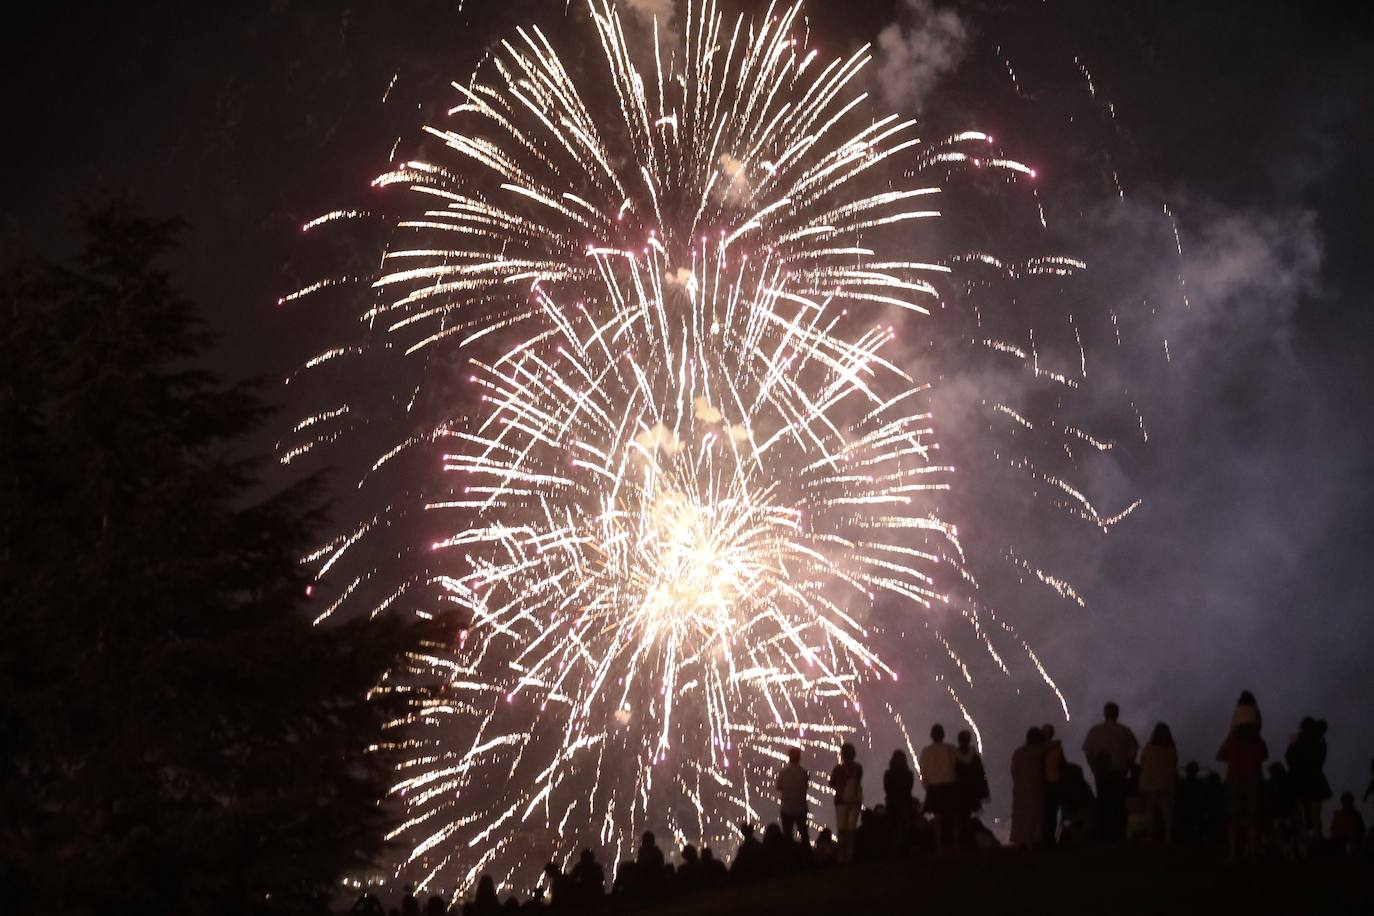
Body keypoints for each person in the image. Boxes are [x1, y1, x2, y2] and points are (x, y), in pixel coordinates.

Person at [1081, 701, 1139, 843]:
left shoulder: (1095, 731)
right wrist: (1128, 766)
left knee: (1104, 803)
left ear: (1104, 713)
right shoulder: (1125, 731)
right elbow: (1133, 751)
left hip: (1102, 773)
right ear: (1117, 713)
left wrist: (1094, 767)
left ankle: (1105, 835)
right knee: (1118, 805)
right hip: (1119, 772)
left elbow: (1088, 752)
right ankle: (1118, 835)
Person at [1218, 719, 1269, 861]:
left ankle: (1233, 853)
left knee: (1233, 818)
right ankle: (1253, 853)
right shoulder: (1259, 742)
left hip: (1235, 782)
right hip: (1254, 782)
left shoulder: (1232, 741)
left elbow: (1220, 755)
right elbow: (1265, 756)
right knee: (1254, 819)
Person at [1286, 718, 1332, 847]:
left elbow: (1289, 759)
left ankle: (1300, 839)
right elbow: (1321, 760)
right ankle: (1317, 838)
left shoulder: (1296, 742)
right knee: (1315, 813)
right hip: (1314, 779)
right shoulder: (1318, 742)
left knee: (1298, 811)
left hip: (1297, 779)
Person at [919, 724, 961, 850]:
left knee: (938, 817)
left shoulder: (926, 751)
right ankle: (956, 843)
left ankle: (939, 845)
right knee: (954, 816)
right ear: (943, 735)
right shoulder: (951, 749)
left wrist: (927, 786)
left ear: (932, 736)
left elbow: (923, 770)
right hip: (949, 785)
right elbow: (957, 765)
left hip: (934, 787)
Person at [1138, 722, 1179, 845]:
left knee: (1150, 810)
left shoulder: (1149, 747)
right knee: (1167, 811)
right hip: (1166, 781)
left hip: (1150, 781)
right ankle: (1168, 836)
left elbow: (1142, 761)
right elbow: (1174, 763)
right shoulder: (1172, 748)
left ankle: (1150, 836)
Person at [1010, 727, 1046, 848]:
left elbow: (1014, 771)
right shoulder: (1040, 752)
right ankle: (1034, 840)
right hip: (1035, 788)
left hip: (1020, 789)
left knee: (1021, 816)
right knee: (1035, 815)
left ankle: (1021, 840)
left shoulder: (1018, 753)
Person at [829, 742, 864, 863]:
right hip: (855, 801)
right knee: (851, 829)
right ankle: (850, 855)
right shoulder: (858, 768)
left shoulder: (838, 769)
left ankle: (841, 856)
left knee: (842, 829)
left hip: (841, 802)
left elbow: (831, 783)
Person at [955, 729, 990, 841]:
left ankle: (961, 840)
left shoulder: (954, 756)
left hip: (959, 792)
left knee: (960, 817)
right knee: (968, 816)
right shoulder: (974, 756)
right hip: (972, 792)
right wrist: (983, 792)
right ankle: (969, 839)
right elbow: (980, 774)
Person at [776, 746, 810, 843]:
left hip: (787, 808)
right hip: (801, 807)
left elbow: (779, 787)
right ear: (799, 758)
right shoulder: (804, 772)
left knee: (787, 835)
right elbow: (805, 786)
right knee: (804, 834)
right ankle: (806, 854)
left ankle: (789, 855)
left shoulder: (783, 773)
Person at [883, 750, 916, 849]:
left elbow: (887, 788)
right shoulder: (909, 773)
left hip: (892, 802)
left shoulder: (888, 773)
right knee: (905, 824)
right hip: (905, 802)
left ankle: (894, 847)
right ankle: (906, 846)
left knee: (893, 826)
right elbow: (909, 788)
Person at [1041, 723, 1065, 845]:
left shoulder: (1037, 749)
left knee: (1043, 812)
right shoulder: (1057, 749)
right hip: (1055, 783)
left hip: (1041, 785)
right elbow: (1063, 765)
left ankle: (1043, 837)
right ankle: (1050, 837)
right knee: (1052, 812)